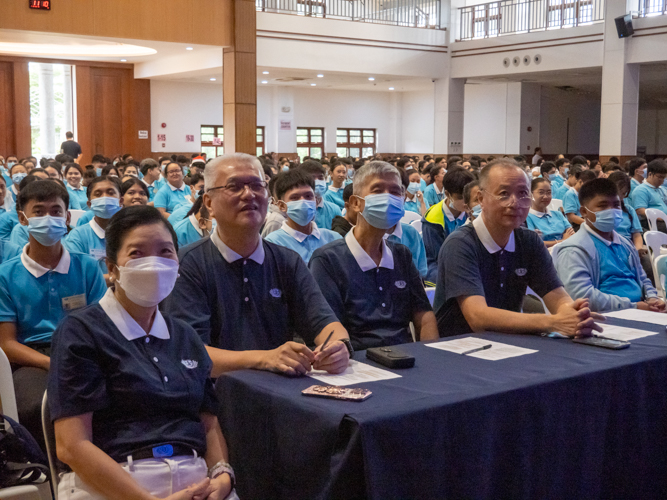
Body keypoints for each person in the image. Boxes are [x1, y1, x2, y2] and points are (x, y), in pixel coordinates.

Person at [49, 206, 237, 500]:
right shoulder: (81, 330)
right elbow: (72, 445)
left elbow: (208, 421)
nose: (154, 264)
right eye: (137, 253)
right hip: (115, 480)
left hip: (196, 479)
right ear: (112, 268)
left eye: (165, 252)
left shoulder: (185, 335)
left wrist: (223, 474)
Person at [162, 153, 351, 377]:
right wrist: (265, 358)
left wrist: (338, 347)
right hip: (215, 397)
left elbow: (324, 323)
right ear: (209, 203)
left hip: (281, 392)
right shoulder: (186, 265)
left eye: (257, 186)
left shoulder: (287, 261)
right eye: (234, 187)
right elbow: (190, 353)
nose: (249, 194)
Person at [433, 159, 603, 337]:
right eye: (504, 193)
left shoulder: (529, 241)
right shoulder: (460, 244)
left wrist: (572, 314)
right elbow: (478, 318)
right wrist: (552, 322)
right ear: (481, 199)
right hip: (460, 346)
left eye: (523, 193)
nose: (515, 202)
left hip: (511, 341)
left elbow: (557, 297)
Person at [0, 180, 106, 448]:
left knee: (112, 398)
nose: (48, 218)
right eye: (38, 211)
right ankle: (50, 474)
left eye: (56, 211)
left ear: (67, 216)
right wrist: (52, 363)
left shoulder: (87, 267)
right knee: (37, 406)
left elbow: (103, 325)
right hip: (33, 359)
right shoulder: (5, 275)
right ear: (23, 218)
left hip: (86, 351)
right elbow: (7, 343)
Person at [309, 162, 437, 350]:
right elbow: (327, 325)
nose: (388, 198)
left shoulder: (401, 254)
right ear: (355, 203)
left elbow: (424, 316)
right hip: (356, 360)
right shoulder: (328, 260)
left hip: (405, 357)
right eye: (378, 191)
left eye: (395, 192)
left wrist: (431, 355)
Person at [552, 178, 662, 313]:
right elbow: (583, 297)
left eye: (616, 205)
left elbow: (642, 278)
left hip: (638, 310)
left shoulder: (625, 244)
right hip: (604, 317)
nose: (612, 211)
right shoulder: (574, 250)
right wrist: (634, 306)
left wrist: (652, 299)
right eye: (603, 206)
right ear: (584, 211)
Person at [264, 169, 342, 263]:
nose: (303, 202)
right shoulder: (273, 244)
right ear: (282, 206)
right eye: (295, 198)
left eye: (308, 196)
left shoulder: (333, 238)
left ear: (316, 201)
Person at [422, 168, 475, 283]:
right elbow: (434, 258)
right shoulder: (433, 219)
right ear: (447, 194)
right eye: (461, 198)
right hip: (439, 265)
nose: (466, 202)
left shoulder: (474, 212)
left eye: (469, 197)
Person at [64, 176, 122, 278]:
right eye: (98, 194)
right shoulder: (77, 236)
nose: (104, 198)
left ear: (121, 201)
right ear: (89, 204)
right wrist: (120, 278)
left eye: (110, 193)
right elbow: (78, 276)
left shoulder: (131, 233)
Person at [526, 178, 574, 248]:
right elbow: (535, 243)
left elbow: (571, 234)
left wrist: (563, 241)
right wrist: (562, 241)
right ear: (531, 194)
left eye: (549, 193)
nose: (545, 196)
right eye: (541, 192)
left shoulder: (558, 214)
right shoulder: (528, 218)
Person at [299, 160, 342, 231]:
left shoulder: (334, 210)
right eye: (312, 178)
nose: (318, 182)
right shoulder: (296, 209)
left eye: (321, 178)